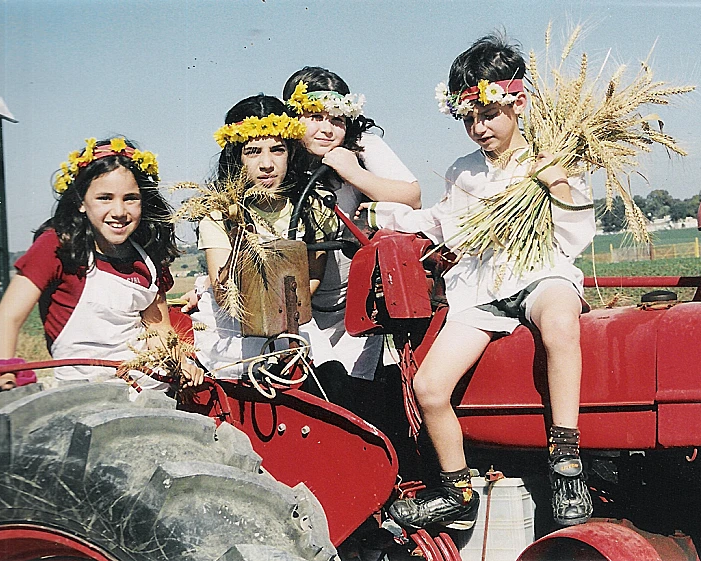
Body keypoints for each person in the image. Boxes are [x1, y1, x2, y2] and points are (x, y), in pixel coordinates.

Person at [362, 34, 596, 529]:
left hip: (540, 272)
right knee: (428, 385)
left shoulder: (551, 158)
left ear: (518, 103)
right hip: (483, 288)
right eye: (466, 118)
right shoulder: (463, 172)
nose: (477, 128)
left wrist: (555, 181)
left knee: (559, 322)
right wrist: (389, 216)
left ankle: (566, 461)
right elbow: (447, 223)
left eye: (486, 114)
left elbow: (575, 233)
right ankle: (457, 490)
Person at [0, 137, 203, 409]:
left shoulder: (148, 258)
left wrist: (179, 360)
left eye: (131, 199)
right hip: (83, 398)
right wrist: (3, 371)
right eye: (104, 198)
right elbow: (8, 317)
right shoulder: (58, 247)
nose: (119, 211)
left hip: (148, 393)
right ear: (80, 201)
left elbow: (158, 329)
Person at [281, 66, 421, 395]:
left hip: (353, 303)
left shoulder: (361, 147)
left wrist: (354, 173)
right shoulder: (278, 155)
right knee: (317, 388)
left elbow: (412, 196)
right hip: (299, 304)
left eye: (337, 119)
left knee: (357, 392)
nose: (327, 129)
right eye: (314, 117)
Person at [189, 94, 341, 383]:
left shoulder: (312, 209)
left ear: (291, 154)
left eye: (277, 150)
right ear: (236, 158)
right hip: (234, 328)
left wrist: (284, 315)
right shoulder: (219, 217)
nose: (267, 164)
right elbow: (224, 294)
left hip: (292, 321)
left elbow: (311, 277)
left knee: (332, 379)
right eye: (253, 152)